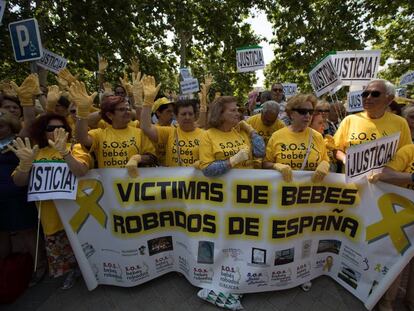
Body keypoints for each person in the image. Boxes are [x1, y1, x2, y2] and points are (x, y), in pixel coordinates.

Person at [9, 113, 91, 290]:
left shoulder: (75, 147)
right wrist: (25, 165)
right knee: (62, 252)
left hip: (76, 213)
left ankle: (88, 272)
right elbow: (19, 181)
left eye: (60, 128)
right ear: (41, 132)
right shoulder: (34, 153)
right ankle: (71, 274)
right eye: (50, 128)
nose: (55, 132)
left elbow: (81, 171)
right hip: (50, 216)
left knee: (83, 247)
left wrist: (65, 153)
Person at [263, 94, 330, 291]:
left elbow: (326, 160)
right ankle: (274, 271)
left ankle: (302, 272)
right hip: (281, 199)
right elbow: (264, 163)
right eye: (302, 111)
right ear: (291, 113)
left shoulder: (317, 137)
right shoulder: (278, 136)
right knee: (280, 235)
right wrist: (276, 165)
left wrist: (326, 164)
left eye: (311, 111)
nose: (307, 115)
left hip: (307, 200)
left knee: (304, 236)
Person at [0, 109, 47, 286]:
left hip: (17, 194)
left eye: (1, 126)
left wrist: (27, 103)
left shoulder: (19, 142)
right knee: (2, 233)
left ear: (10, 127)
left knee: (27, 231)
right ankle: (6, 269)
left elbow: (29, 123)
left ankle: (39, 266)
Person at [72, 81, 156, 175]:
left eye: (128, 109)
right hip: (109, 186)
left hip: (133, 185)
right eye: (121, 109)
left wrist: (138, 158)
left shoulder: (139, 132)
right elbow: (81, 139)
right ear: (110, 115)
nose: (127, 112)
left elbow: (152, 157)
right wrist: (82, 112)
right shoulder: (100, 134)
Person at [369, 145, 414, 311]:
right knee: (398, 260)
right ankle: (386, 303)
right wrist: (412, 177)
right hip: (402, 215)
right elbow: (385, 175)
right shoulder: (409, 150)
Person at [334, 79, 412, 166]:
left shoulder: (400, 123)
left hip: (385, 179)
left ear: (389, 99)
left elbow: (407, 154)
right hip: (352, 178)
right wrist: (346, 159)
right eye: (365, 94)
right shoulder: (349, 120)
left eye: (375, 94)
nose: (368, 97)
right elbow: (336, 149)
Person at [140, 77, 208, 167]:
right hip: (173, 180)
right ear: (176, 116)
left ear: (195, 115)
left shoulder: (205, 135)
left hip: (196, 180)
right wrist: (147, 102)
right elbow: (146, 127)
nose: (187, 117)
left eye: (190, 114)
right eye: (183, 114)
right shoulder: (169, 132)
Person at [199, 96, 265, 177]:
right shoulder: (207, 135)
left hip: (247, 185)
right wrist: (232, 161)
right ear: (220, 114)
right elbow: (207, 170)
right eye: (233, 110)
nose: (237, 114)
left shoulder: (240, 130)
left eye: (237, 110)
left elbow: (260, 153)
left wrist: (251, 131)